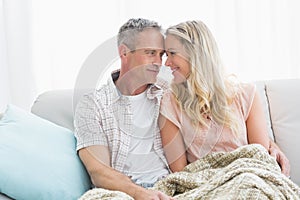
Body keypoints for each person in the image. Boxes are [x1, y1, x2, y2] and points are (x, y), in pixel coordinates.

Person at [159, 20, 290, 176]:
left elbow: (259, 156)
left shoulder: (245, 94)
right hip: (205, 183)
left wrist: (272, 147)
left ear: (195, 53)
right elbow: (180, 172)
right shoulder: (170, 102)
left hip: (249, 177)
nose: (166, 63)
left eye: (172, 53)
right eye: (166, 55)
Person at [74, 18, 173, 200]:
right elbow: (98, 171)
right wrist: (142, 194)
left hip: (171, 185)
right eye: (150, 53)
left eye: (161, 54)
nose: (158, 62)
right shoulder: (93, 105)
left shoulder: (168, 92)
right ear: (124, 52)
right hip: (123, 193)